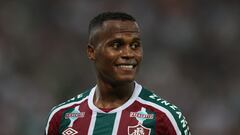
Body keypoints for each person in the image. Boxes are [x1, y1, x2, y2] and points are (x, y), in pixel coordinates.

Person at [45, 11, 191, 135]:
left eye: (135, 45)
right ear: (92, 52)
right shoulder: (61, 117)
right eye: (117, 45)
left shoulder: (164, 117)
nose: (129, 53)